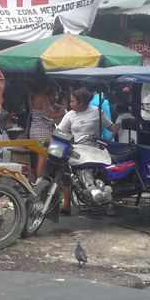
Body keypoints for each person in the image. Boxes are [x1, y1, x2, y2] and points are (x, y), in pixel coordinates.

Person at [56, 87, 119, 215]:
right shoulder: (70, 115)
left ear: (82, 102)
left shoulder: (98, 112)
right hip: (77, 150)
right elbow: (59, 132)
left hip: (95, 151)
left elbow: (112, 127)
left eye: (73, 101)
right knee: (66, 173)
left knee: (104, 174)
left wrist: (108, 140)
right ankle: (66, 205)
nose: (70, 104)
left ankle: (109, 202)